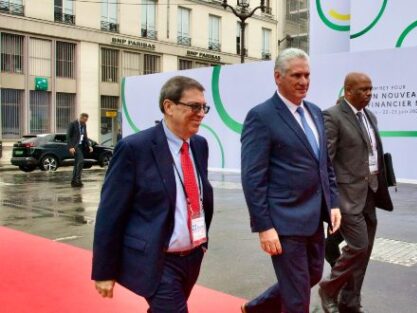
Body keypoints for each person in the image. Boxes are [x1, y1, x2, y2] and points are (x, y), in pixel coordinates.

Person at [92, 76, 214, 313]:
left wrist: (202, 241)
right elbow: (110, 214)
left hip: (192, 257)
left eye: (204, 107)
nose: (201, 113)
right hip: (158, 261)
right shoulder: (135, 148)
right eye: (194, 106)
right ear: (169, 107)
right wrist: (104, 271)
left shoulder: (199, 145)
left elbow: (198, 197)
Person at [240, 48, 341, 313]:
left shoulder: (316, 112)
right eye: (296, 75)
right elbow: (253, 178)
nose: (303, 81)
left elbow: (324, 164)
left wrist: (333, 203)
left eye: (307, 75)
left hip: (314, 219)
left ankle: (258, 308)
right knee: (297, 298)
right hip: (283, 221)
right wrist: (264, 226)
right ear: (277, 77)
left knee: (313, 276)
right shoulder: (261, 116)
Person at [318, 72, 394, 313]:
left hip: (370, 191)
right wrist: (330, 200)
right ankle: (328, 288)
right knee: (359, 246)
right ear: (348, 91)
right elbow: (326, 161)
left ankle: (350, 300)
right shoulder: (332, 116)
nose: (369, 94)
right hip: (346, 196)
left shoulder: (370, 116)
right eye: (363, 90)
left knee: (364, 252)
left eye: (371, 89)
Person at [67, 113, 92, 187]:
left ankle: (74, 181)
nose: (85, 121)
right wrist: (70, 147)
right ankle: (77, 180)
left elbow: (85, 136)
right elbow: (68, 136)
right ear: (81, 118)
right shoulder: (73, 124)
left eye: (86, 120)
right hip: (75, 146)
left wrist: (89, 146)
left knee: (77, 163)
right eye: (84, 120)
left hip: (81, 146)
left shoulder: (84, 125)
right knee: (81, 161)